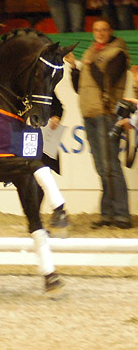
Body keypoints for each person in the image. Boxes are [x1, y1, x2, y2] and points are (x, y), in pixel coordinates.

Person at [65, 16, 132, 229]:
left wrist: (89, 64)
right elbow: (81, 88)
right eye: (96, 29)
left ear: (110, 30)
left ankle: (121, 214)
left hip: (106, 112)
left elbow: (106, 80)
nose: (100, 33)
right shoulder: (91, 52)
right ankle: (108, 213)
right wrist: (75, 69)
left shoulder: (118, 53)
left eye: (104, 29)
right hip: (90, 113)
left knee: (111, 165)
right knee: (102, 167)